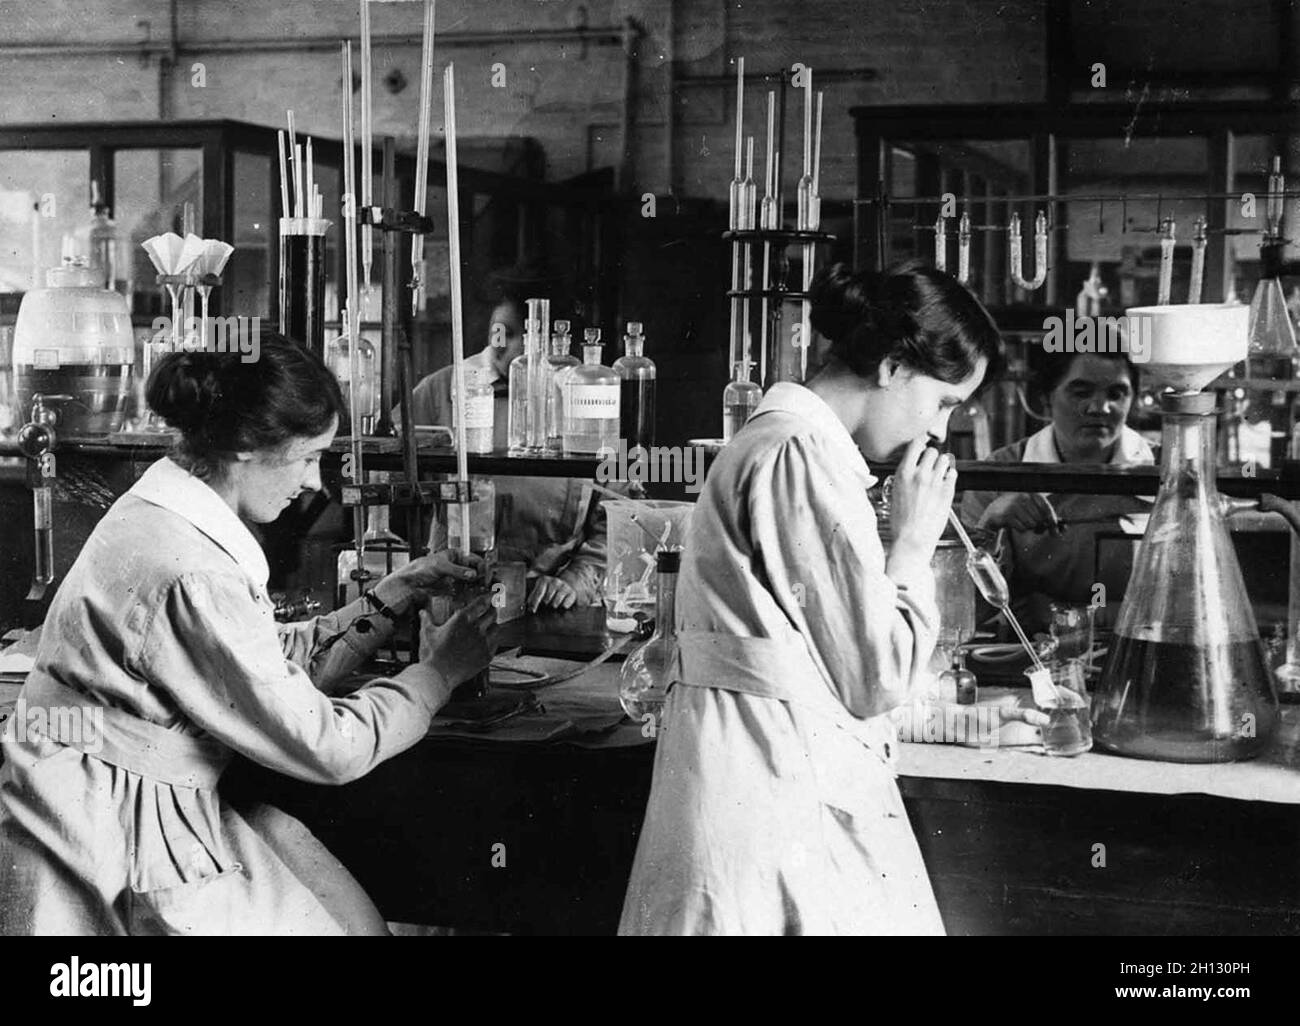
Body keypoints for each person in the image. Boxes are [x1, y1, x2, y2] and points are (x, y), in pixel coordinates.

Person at [0, 338, 498, 936]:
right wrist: (438, 674)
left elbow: (255, 666)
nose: (317, 482)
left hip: (107, 787)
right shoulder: (192, 568)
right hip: (107, 825)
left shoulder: (165, 511)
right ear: (244, 447)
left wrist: (399, 591)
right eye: (308, 456)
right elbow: (324, 745)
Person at [619, 261, 1008, 935]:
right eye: (944, 401)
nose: (941, 430)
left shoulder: (793, 446)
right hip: (763, 783)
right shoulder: (797, 454)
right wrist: (912, 545)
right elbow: (875, 677)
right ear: (891, 366)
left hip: (760, 769)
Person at [400, 264, 622, 612]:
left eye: (531, 335)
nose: (514, 347)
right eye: (503, 333)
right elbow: (386, 482)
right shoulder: (441, 391)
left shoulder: (589, 398)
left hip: (550, 604)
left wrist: (575, 581)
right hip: (456, 598)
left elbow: (619, 511)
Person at [959, 349, 1154, 634]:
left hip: (1138, 645)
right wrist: (989, 526)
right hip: (1031, 655)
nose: (1099, 407)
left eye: (1116, 394)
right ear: (1046, 398)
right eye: (1081, 392)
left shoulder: (1165, 472)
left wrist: (1071, 615)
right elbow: (966, 610)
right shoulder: (998, 474)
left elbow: (1187, 598)